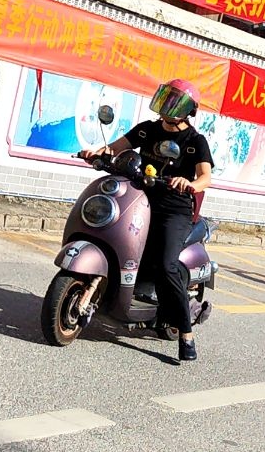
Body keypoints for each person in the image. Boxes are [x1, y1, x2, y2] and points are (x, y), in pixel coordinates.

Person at [82, 80, 212, 362]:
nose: (167, 107)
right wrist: (96, 153)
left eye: (175, 102)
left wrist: (187, 182)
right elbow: (116, 148)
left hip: (174, 209)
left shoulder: (195, 142)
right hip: (141, 199)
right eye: (166, 98)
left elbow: (206, 177)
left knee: (166, 265)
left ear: (188, 110)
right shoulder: (148, 129)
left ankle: (187, 335)